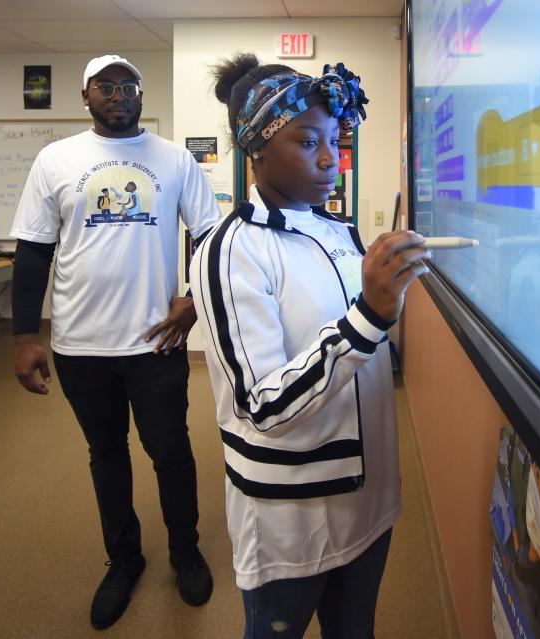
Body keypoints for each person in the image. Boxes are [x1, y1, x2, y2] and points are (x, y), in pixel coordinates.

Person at [190, 53, 430, 638]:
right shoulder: (232, 250)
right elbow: (265, 405)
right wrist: (371, 313)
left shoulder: (339, 233)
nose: (330, 159)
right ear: (256, 150)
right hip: (292, 513)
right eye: (307, 142)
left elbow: (361, 360)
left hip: (367, 501)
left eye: (334, 140)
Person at [10, 54, 222, 630]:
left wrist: (192, 298)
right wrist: (25, 336)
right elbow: (32, 251)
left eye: (129, 84)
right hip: (81, 346)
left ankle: (185, 551)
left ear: (140, 94)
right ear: (85, 96)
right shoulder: (57, 160)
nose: (119, 93)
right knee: (106, 456)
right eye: (106, 85)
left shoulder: (175, 159)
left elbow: (210, 237)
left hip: (155, 343)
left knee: (171, 452)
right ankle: (124, 559)